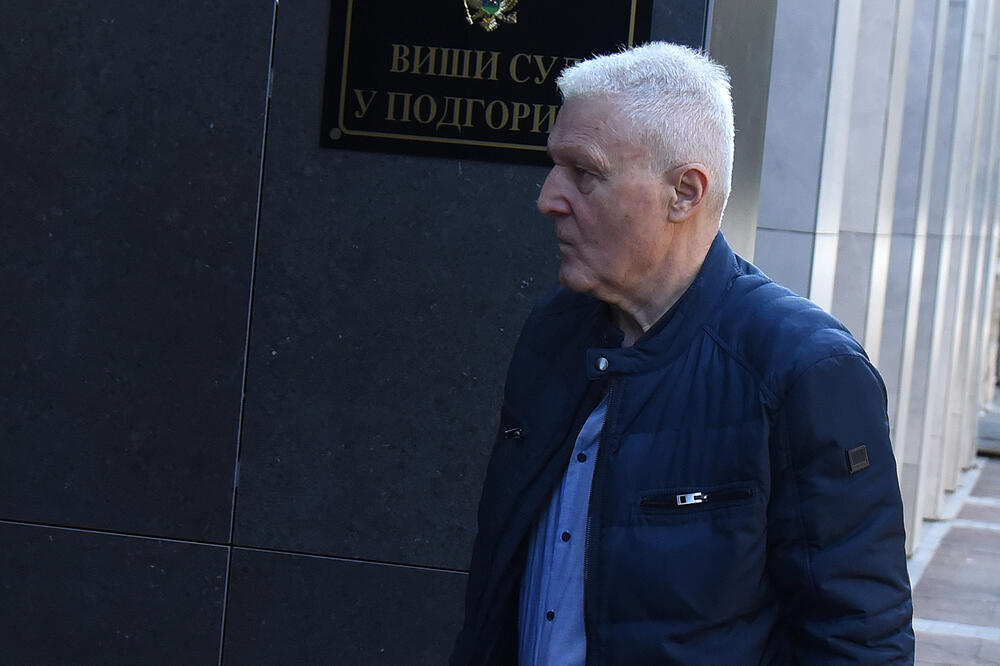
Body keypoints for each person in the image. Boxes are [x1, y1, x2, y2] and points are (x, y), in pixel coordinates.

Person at [451, 42, 914, 665]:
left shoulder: (804, 369)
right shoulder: (554, 330)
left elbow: (857, 638)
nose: (548, 197)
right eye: (554, 166)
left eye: (584, 173)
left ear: (685, 193)